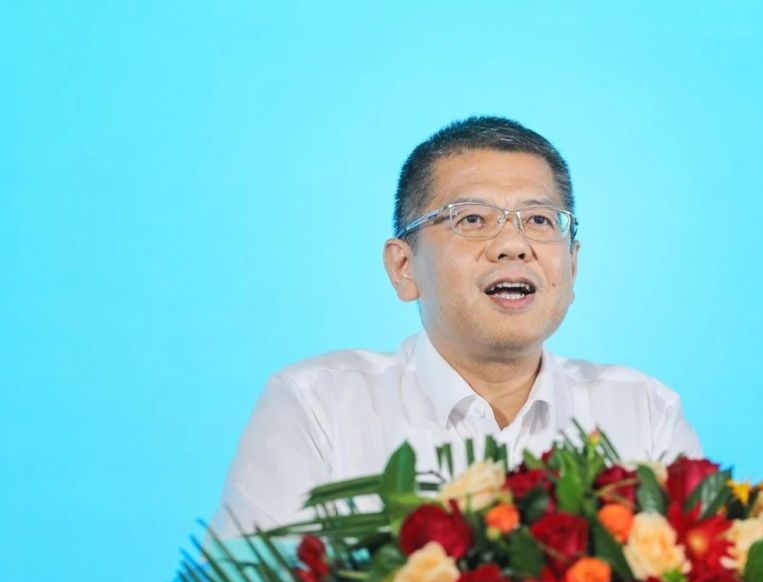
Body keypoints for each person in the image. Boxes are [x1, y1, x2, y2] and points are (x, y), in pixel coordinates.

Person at [208, 116, 702, 538]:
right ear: (404, 267)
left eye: (539, 220)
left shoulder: (644, 413)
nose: (513, 245)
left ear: (572, 265)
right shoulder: (319, 408)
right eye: (471, 219)